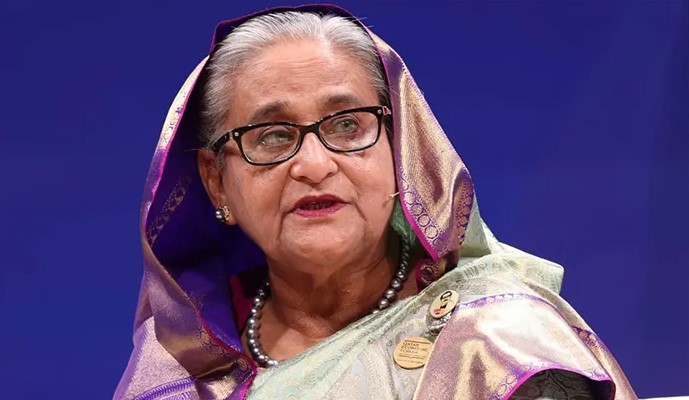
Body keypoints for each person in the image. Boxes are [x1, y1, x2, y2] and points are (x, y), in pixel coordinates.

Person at [115, 5, 636, 399]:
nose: (314, 164)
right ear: (216, 181)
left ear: (401, 148)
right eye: (271, 136)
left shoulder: (496, 344)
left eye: (347, 125)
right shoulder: (180, 367)